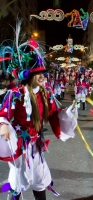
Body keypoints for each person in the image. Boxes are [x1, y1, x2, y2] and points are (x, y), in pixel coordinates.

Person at [0, 23, 78, 200]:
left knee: (39, 179)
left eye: (44, 73)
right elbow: (3, 114)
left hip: (36, 145)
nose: (43, 76)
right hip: (19, 145)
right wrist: (3, 124)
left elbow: (53, 114)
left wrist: (68, 113)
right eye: (39, 73)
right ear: (29, 75)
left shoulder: (46, 93)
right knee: (17, 180)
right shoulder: (15, 94)